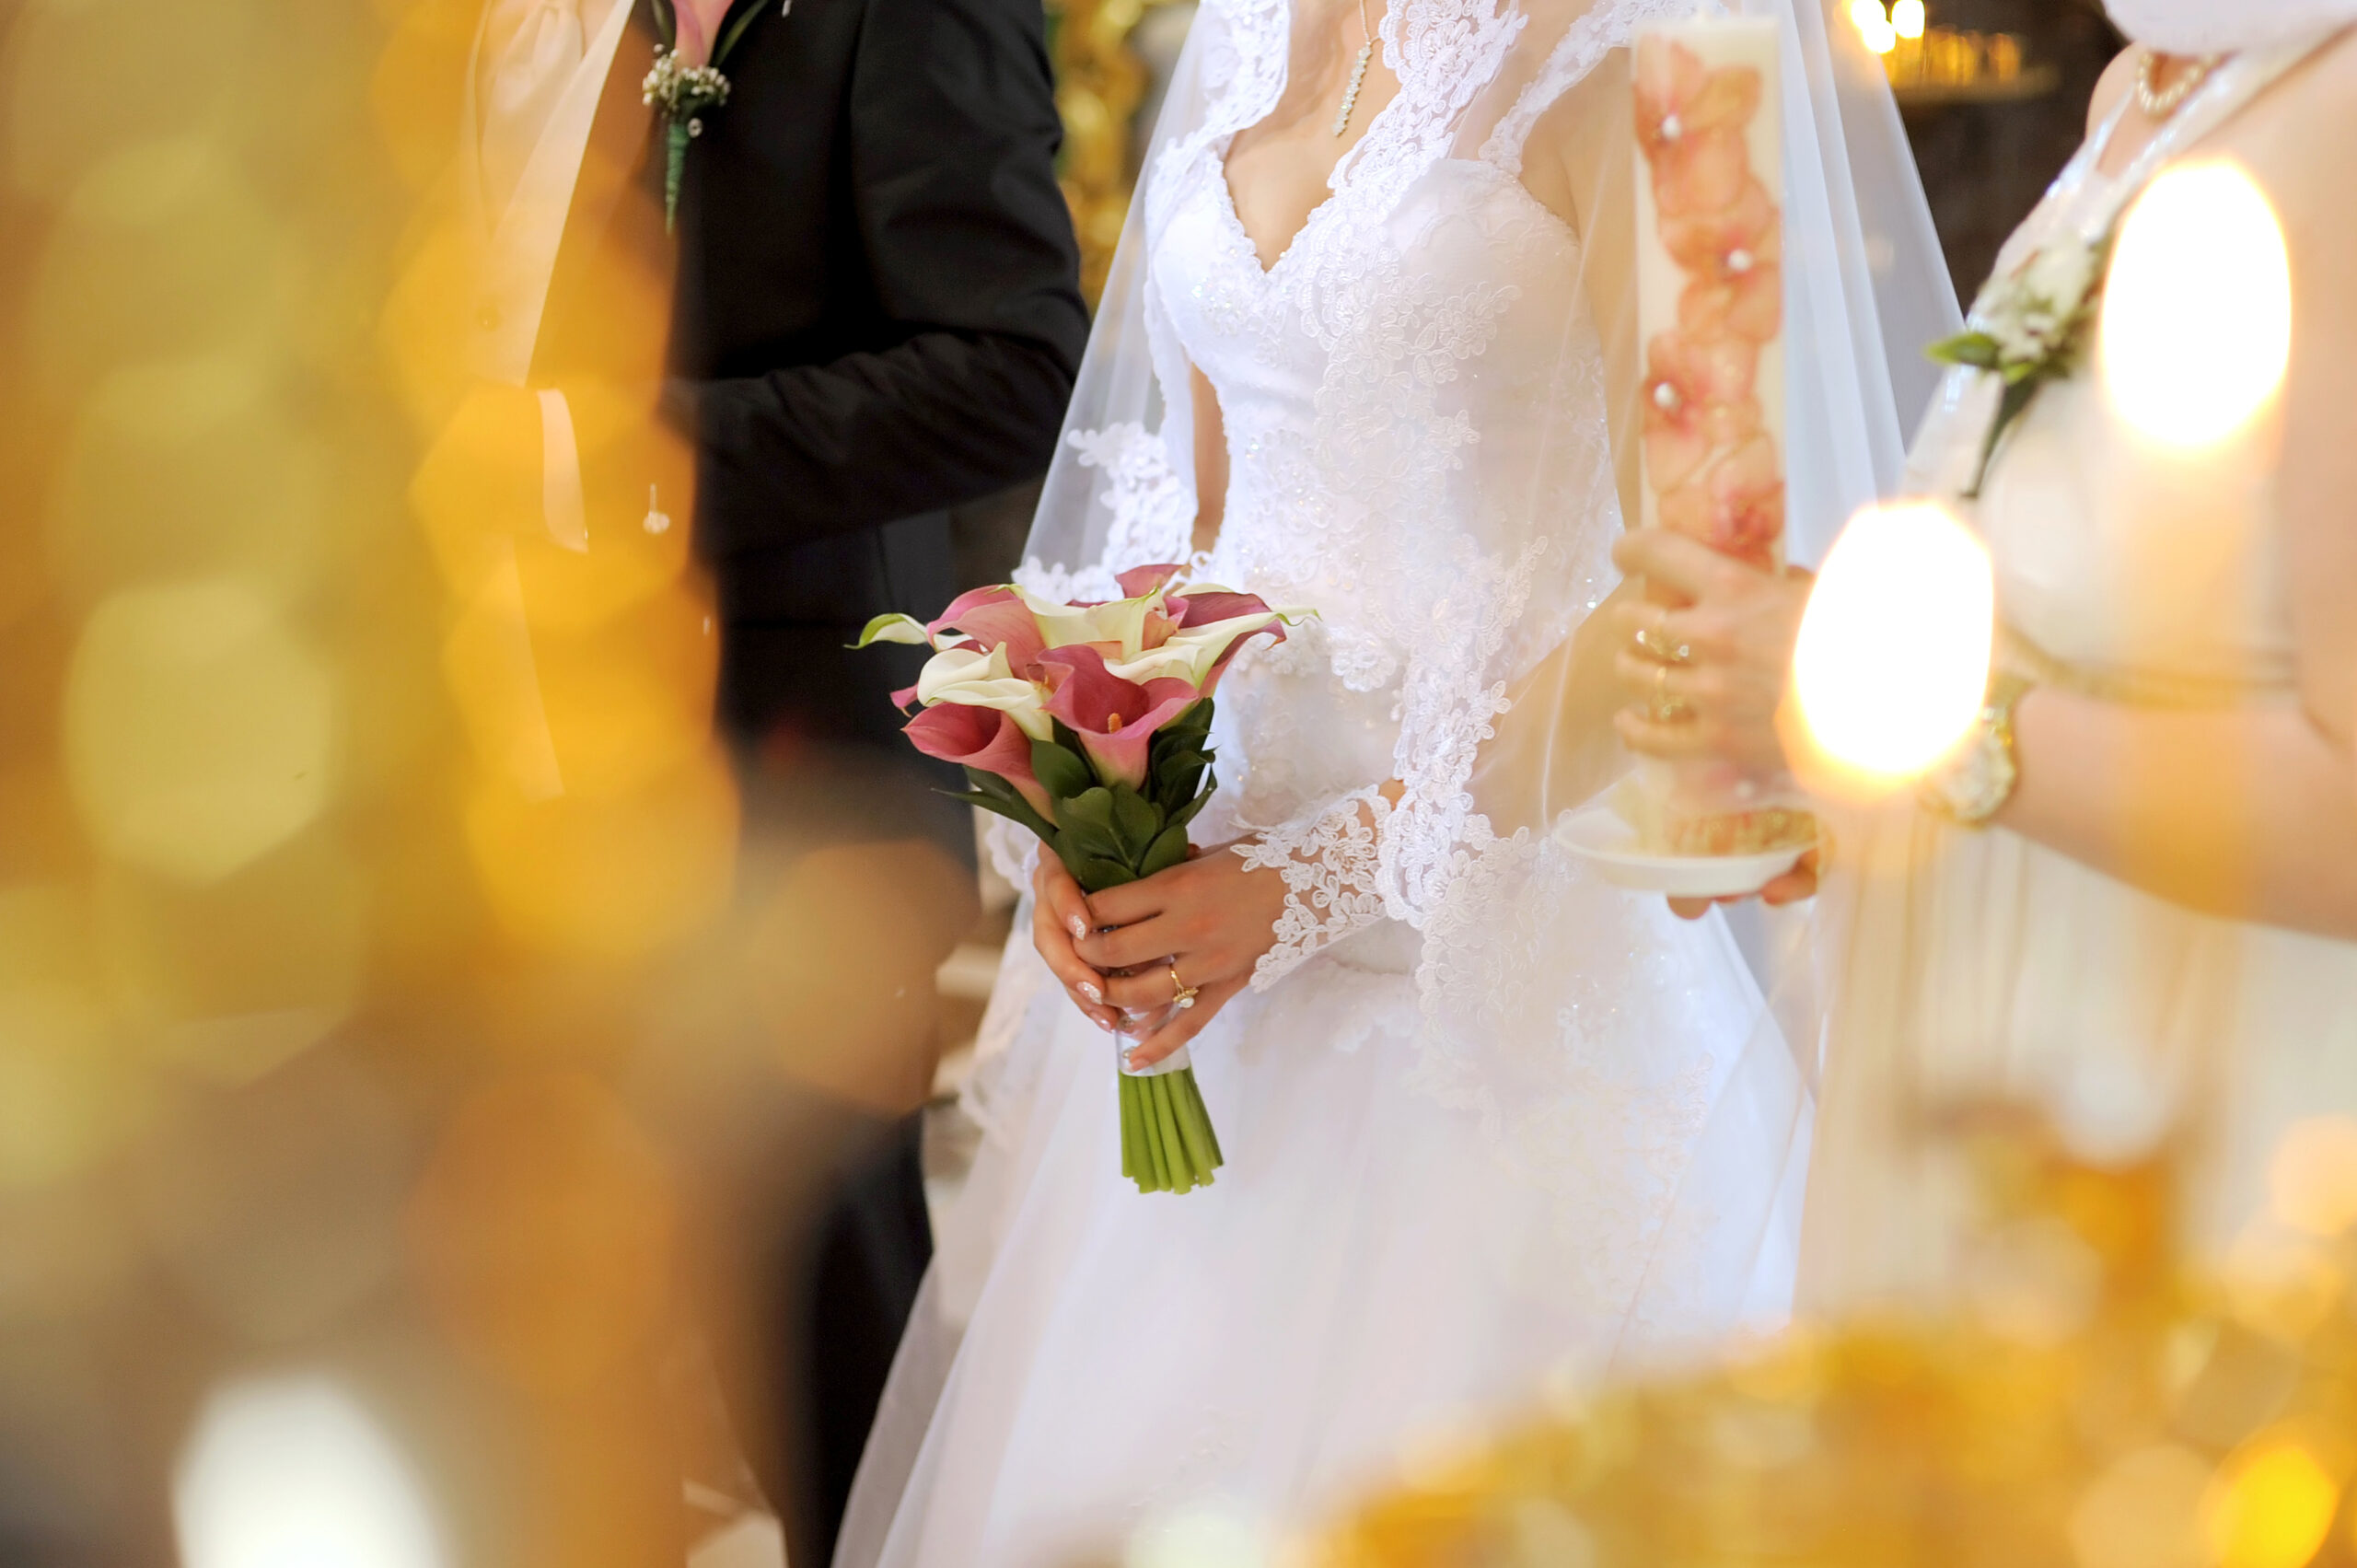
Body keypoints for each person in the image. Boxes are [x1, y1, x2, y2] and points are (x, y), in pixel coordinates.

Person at [834, 0, 1955, 1561]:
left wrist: (1319, 878)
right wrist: (1087, 803)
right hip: (1204, 955)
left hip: (1489, 961)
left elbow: (1697, 580)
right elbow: (1200, 512)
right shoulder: (1237, 38)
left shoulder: (1649, 57)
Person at [448, 0, 1087, 1561]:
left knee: (814, 1299)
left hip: (792, 761)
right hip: (501, 732)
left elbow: (1009, 366)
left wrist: (616, 459)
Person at [1609, 1, 2357, 1314]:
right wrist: (1841, 759)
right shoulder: (2153, 92)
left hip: (2202, 1146)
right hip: (1995, 1085)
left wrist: (1916, 714)